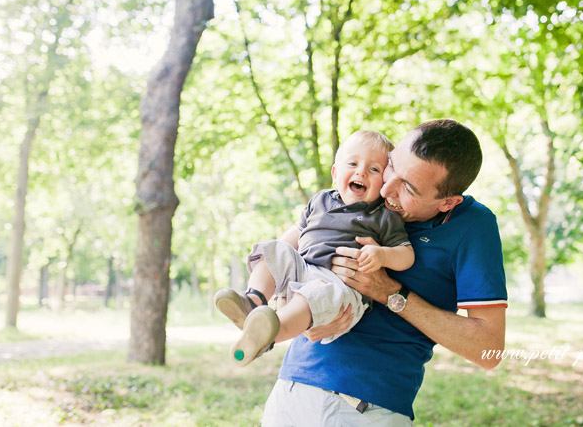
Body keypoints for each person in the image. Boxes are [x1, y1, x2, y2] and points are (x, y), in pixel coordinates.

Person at [261, 119, 508, 426]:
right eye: (392, 167)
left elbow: (489, 350)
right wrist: (290, 309)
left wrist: (390, 292)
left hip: (368, 408)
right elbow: (280, 256)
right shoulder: (353, 191)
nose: (387, 189)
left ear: (448, 202)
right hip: (292, 389)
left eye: (409, 188)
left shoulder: (472, 225)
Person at [214, 130, 414, 366]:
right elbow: (288, 242)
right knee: (274, 249)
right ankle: (254, 301)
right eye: (352, 163)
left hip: (339, 288)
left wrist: (382, 255)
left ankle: (269, 334)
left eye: (374, 169)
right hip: (304, 269)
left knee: (315, 294)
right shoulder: (320, 201)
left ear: (384, 183)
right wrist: (277, 275)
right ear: (335, 172)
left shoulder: (382, 216)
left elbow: (406, 255)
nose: (361, 171)